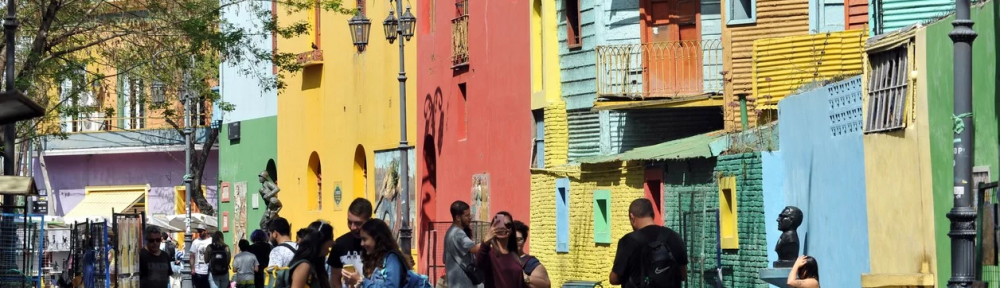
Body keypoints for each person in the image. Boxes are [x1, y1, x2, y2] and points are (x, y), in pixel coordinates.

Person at [609, 198, 688, 288]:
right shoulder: (674, 237)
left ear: (632, 217)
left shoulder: (628, 241)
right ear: (653, 215)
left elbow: (614, 279)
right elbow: (683, 275)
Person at [341, 219, 412, 288]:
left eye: (364, 239)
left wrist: (361, 280)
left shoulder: (392, 259)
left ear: (377, 238)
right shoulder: (372, 260)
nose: (361, 244)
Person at [444, 200, 490, 288]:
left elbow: (444, 260)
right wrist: (491, 238)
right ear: (458, 218)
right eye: (467, 216)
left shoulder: (450, 232)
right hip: (463, 284)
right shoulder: (458, 234)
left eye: (470, 215)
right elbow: (475, 248)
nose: (470, 218)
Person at [328, 198, 373, 287]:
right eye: (349, 222)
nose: (353, 227)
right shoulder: (340, 244)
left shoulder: (380, 244)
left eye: (358, 223)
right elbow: (334, 278)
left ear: (369, 220)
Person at [475, 212, 526, 288]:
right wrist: (486, 241)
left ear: (512, 230)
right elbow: (479, 264)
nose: (503, 228)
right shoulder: (489, 254)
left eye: (508, 225)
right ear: (492, 228)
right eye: (499, 225)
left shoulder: (514, 255)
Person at [287, 221, 335, 288]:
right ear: (321, 241)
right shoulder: (304, 266)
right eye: (331, 238)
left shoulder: (318, 265)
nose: (333, 243)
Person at [510, 221, 549, 288]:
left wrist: (525, 277)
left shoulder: (531, 262)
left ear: (524, 241)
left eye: (519, 239)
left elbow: (546, 285)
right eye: (513, 239)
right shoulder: (499, 258)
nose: (515, 243)